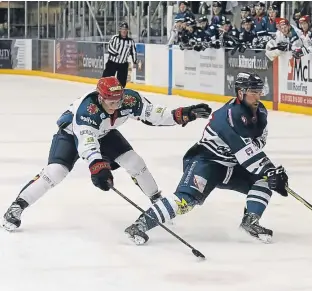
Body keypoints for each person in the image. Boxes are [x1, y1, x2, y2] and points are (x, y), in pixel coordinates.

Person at [2, 77, 212, 232]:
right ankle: (17, 206)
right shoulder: (88, 110)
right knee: (55, 172)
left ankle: (157, 200)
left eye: (118, 100)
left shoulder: (129, 100)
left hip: (104, 133)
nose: (116, 106)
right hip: (70, 135)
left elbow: (153, 114)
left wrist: (184, 114)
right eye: (111, 102)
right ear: (100, 97)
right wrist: (98, 167)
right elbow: (87, 143)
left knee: (135, 162)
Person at [124, 72, 289, 245]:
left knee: (265, 180)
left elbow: (258, 143)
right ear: (240, 93)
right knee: (185, 201)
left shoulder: (260, 111)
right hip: (206, 162)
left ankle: (250, 221)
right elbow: (244, 150)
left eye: (259, 91)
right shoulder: (227, 117)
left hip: (232, 165)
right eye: (253, 92)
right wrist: (269, 169)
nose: (257, 96)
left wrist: (270, 173)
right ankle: (140, 224)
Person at [102, 22, 136, 87]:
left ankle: (119, 94)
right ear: (120, 30)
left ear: (127, 30)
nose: (124, 31)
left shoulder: (130, 41)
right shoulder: (115, 38)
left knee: (122, 83)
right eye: (123, 29)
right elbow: (109, 47)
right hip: (112, 62)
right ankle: (101, 93)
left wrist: (135, 61)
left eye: (126, 29)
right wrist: (116, 53)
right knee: (106, 80)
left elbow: (133, 52)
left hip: (123, 64)